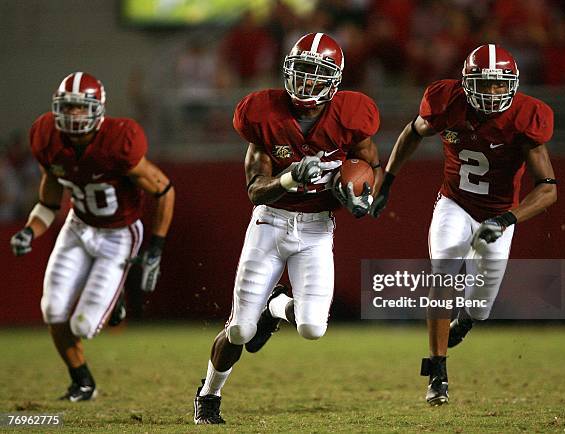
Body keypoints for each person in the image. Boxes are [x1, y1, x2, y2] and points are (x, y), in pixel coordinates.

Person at [192, 32, 382, 424]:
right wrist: (289, 179)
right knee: (241, 330)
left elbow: (370, 167)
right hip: (270, 223)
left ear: (334, 80)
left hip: (316, 229)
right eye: (301, 71)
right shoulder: (263, 115)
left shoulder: (351, 116)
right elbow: (255, 191)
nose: (307, 81)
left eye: (317, 73)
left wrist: (363, 195)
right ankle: (209, 394)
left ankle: (276, 306)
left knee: (313, 327)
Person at [371, 44, 557, 405]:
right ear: (466, 83)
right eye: (482, 84)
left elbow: (548, 189)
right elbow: (412, 131)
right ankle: (437, 372)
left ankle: (468, 319)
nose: (490, 93)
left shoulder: (526, 116)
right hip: (454, 203)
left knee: (482, 304)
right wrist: (387, 180)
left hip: (501, 211)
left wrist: (505, 219)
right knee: (443, 270)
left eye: (498, 85)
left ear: (513, 85)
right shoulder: (447, 102)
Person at [10, 72, 175, 401]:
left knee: (83, 325)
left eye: (80, 108)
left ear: (98, 110)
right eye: (67, 107)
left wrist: (155, 247)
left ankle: (117, 299)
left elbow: (164, 190)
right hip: (77, 226)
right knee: (52, 309)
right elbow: (48, 201)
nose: (73, 115)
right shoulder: (47, 137)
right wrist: (30, 230)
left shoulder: (119, 141)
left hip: (119, 234)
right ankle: (82, 381)